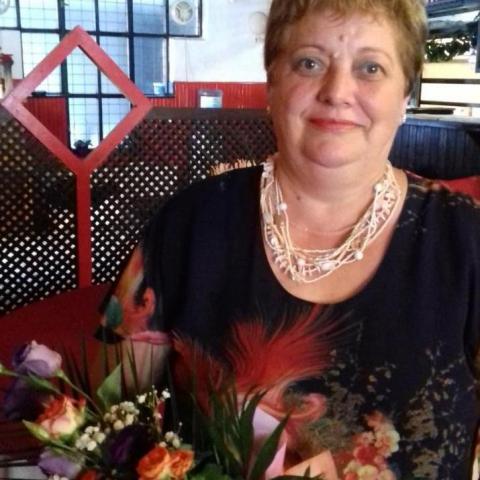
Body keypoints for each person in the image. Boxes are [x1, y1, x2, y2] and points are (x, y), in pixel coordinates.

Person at [97, 0, 480, 478]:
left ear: (405, 95)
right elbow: (111, 426)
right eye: (309, 63)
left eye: (371, 68)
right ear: (272, 84)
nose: (337, 92)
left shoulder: (466, 238)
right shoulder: (190, 223)